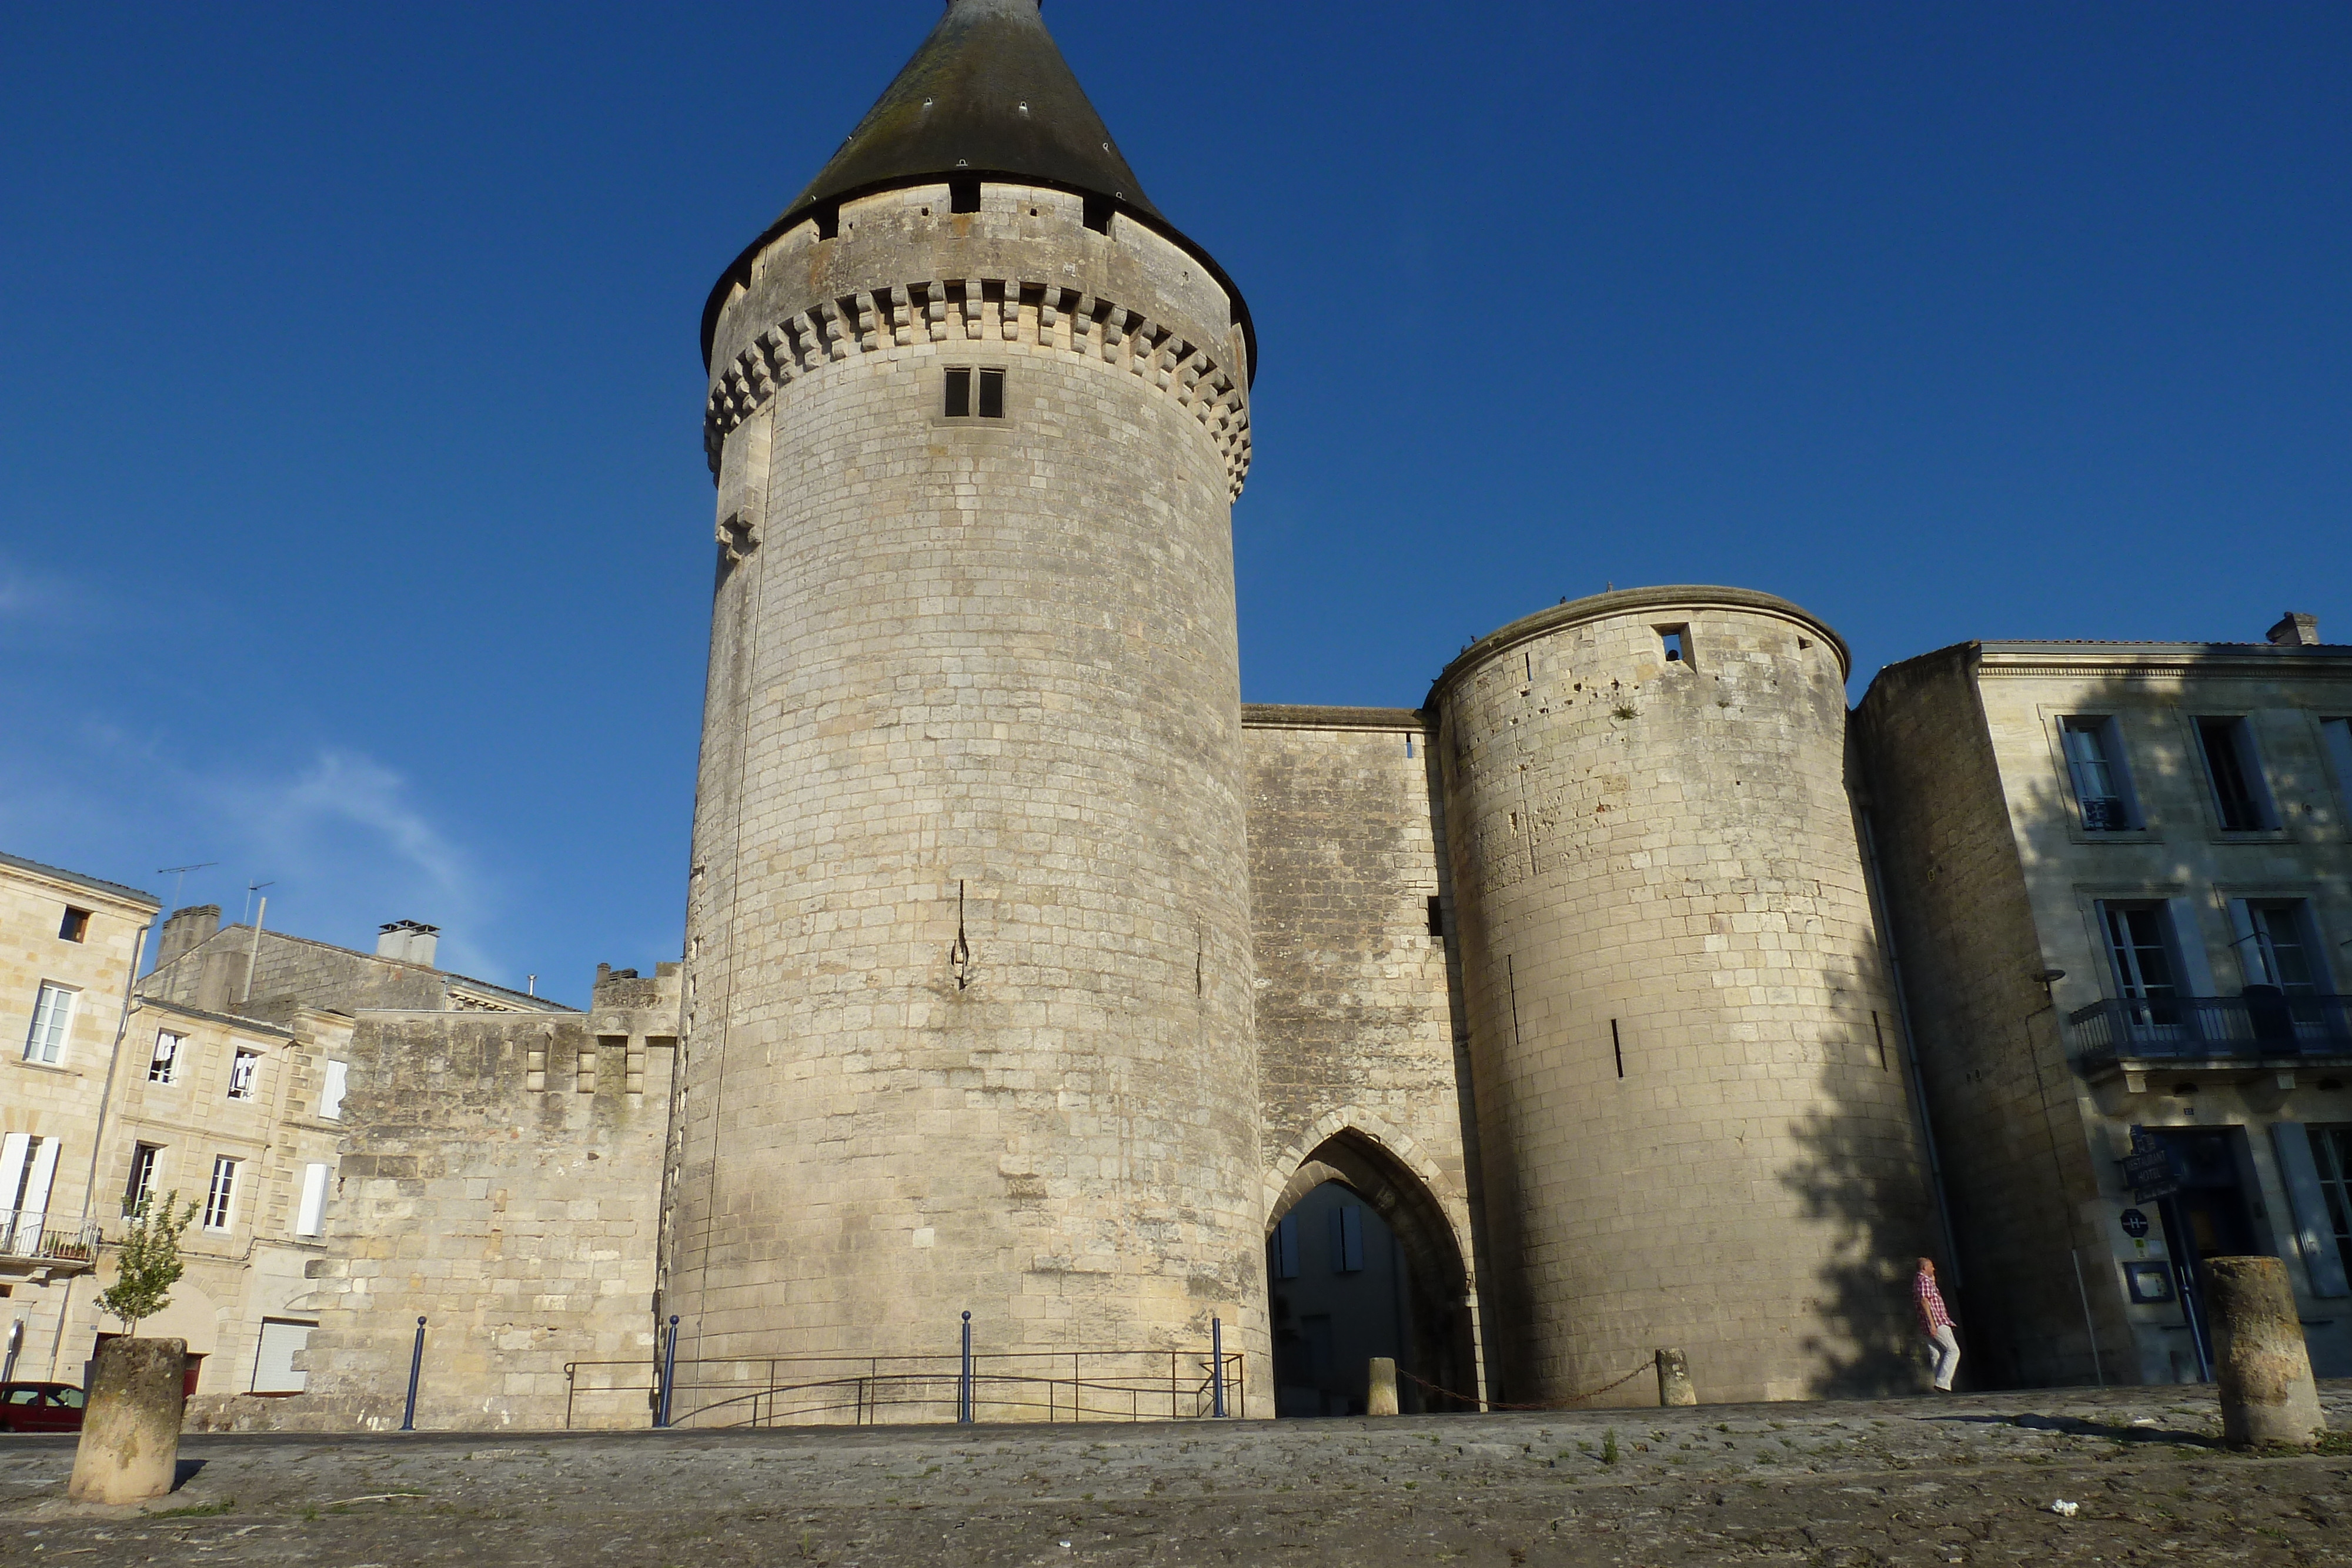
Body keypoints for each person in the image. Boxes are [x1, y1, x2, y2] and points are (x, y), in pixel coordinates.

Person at [1915, 1256, 1960, 1392]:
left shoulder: (1922, 1281)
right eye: (1931, 1267)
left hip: (1928, 1323)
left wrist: (1933, 1280)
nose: (1933, 1269)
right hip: (1937, 1322)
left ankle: (1940, 1385)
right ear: (1924, 1268)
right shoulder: (1923, 1281)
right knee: (1953, 1350)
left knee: (1937, 1354)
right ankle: (1943, 1382)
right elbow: (1924, 1301)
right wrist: (1932, 1323)